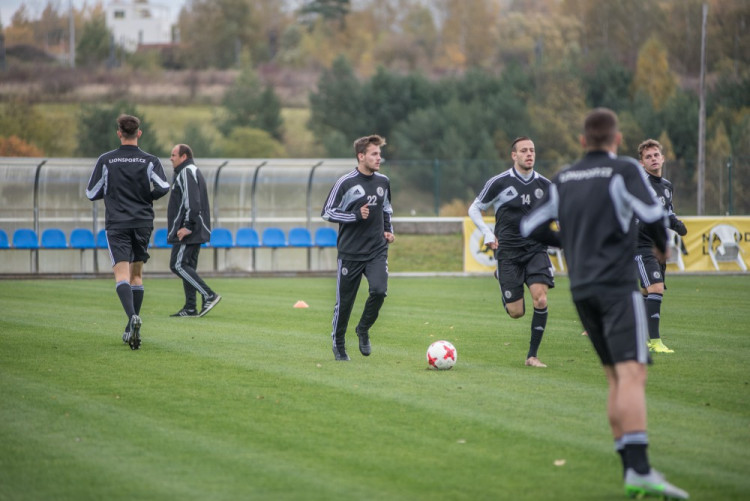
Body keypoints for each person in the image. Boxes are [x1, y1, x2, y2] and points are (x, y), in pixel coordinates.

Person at [520, 108, 688, 499]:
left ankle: (631, 470)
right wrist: (664, 245)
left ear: (582, 142)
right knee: (632, 376)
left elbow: (531, 226)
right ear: (615, 140)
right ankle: (641, 469)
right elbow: (654, 214)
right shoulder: (624, 170)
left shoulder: (564, 177)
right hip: (616, 285)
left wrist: (571, 241)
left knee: (615, 376)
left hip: (582, 290)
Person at [468, 136, 554, 368]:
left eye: (532, 150)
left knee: (541, 298)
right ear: (514, 156)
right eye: (524, 150)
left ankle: (532, 356)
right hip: (508, 252)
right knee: (516, 312)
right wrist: (487, 232)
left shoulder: (545, 186)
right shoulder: (499, 182)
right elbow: (475, 208)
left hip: (536, 250)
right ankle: (501, 276)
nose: (529, 154)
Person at [86, 114, 170, 350]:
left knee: (121, 276)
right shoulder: (150, 160)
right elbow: (164, 187)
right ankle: (129, 325)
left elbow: (91, 192)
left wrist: (113, 194)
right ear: (139, 133)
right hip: (143, 222)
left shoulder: (106, 160)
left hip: (118, 223)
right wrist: (147, 197)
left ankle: (132, 318)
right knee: (137, 277)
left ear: (119, 133)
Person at [321, 134, 395, 361]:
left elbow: (386, 209)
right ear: (361, 156)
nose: (378, 158)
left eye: (380, 154)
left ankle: (363, 329)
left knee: (379, 291)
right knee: (344, 304)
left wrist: (388, 229)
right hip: (350, 253)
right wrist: (354, 215)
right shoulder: (346, 182)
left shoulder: (383, 181)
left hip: (376, 249)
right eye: (374, 154)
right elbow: (327, 212)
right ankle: (339, 346)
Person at [635, 139, 687, 354]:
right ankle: (655, 341)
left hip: (657, 245)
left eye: (656, 155)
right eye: (648, 157)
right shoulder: (638, 185)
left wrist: (676, 224)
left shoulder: (666, 186)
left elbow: (667, 212)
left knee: (648, 290)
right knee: (656, 287)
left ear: (663, 158)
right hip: (639, 244)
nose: (653, 159)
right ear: (642, 163)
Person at [166, 143, 222, 318]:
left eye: (173, 155)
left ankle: (209, 295)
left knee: (177, 264)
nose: (171, 158)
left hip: (189, 229)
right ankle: (190, 307)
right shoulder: (188, 171)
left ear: (184, 157)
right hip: (195, 228)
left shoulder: (187, 171)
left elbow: (192, 201)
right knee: (187, 266)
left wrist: (187, 226)